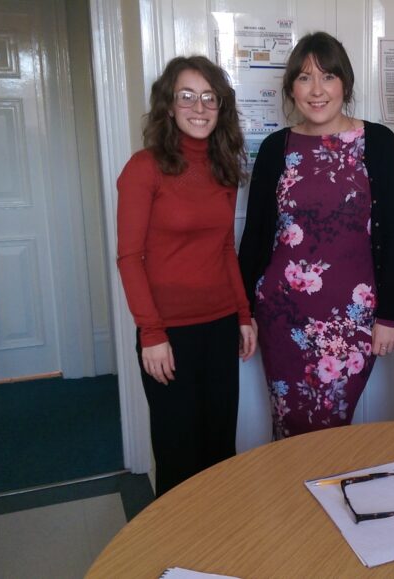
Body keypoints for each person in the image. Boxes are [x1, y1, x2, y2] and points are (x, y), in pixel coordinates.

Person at [239, 32, 394, 439]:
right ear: (291, 89)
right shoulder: (276, 148)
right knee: (288, 423)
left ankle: (326, 500)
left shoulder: (378, 142)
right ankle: (291, 501)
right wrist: (243, 310)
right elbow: (256, 237)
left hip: (351, 317)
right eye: (304, 78)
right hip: (282, 315)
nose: (317, 90)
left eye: (328, 77)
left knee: (331, 426)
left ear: (345, 85)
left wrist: (388, 313)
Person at [116, 56, 256, 496]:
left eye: (209, 97)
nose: (199, 107)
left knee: (219, 451)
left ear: (221, 106)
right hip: (168, 334)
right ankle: (173, 557)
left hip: (218, 327)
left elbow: (224, 249)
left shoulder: (223, 166)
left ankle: (217, 549)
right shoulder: (144, 167)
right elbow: (128, 258)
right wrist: (151, 333)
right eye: (187, 96)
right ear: (169, 105)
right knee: (178, 455)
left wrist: (243, 314)